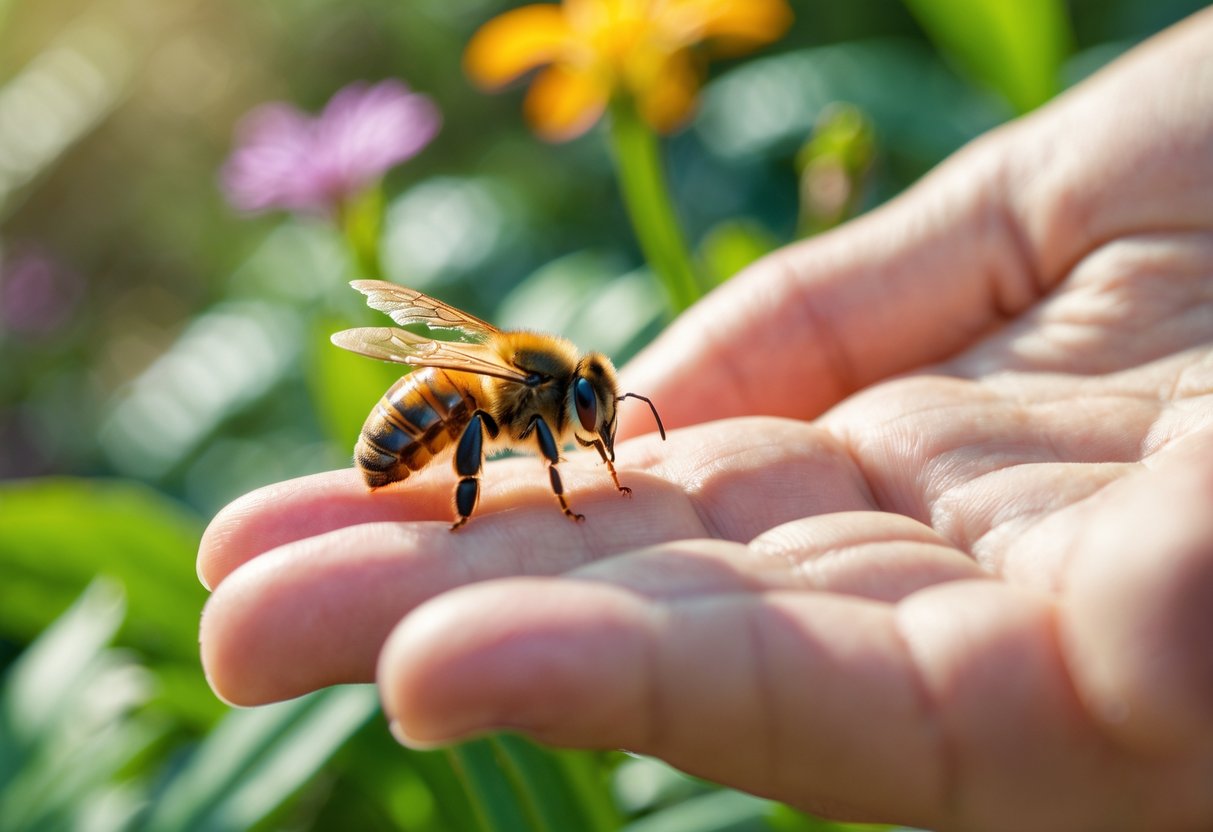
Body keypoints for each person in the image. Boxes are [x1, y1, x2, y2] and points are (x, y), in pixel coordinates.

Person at [197, 9, 1213, 830]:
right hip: (430, 415)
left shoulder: (550, 378)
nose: (596, 424)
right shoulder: (520, 385)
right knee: (450, 429)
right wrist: (544, 488)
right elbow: (452, 372)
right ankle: (459, 504)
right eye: (588, 416)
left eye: (592, 416)